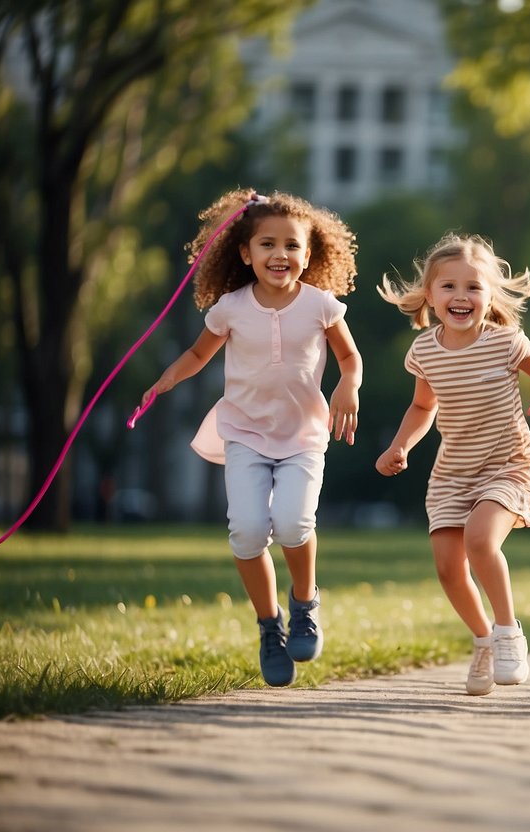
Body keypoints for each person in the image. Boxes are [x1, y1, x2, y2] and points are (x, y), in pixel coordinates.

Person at [141, 188, 362, 687]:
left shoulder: (321, 306)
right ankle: (269, 626)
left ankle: (304, 603)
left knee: (291, 522)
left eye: (291, 246)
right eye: (267, 244)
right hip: (243, 432)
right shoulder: (230, 309)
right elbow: (198, 355)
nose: (279, 254)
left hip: (304, 434)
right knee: (245, 530)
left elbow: (350, 358)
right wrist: (165, 381)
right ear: (245, 253)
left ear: (309, 255)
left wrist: (349, 385)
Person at [376, 233, 530, 696]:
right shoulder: (423, 351)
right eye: (450, 287)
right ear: (430, 296)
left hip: (509, 463)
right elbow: (423, 408)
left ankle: (507, 632)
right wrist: (400, 446)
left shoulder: (505, 343)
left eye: (474, 288)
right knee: (447, 567)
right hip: (453, 472)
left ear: (489, 297)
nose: (462, 297)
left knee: (481, 541)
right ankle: (482, 640)